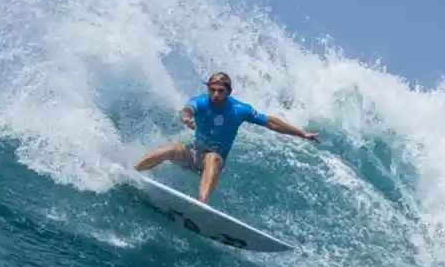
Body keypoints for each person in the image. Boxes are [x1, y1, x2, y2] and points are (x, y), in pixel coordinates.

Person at [133, 72, 320, 203]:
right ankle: (132, 172)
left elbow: (270, 122)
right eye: (212, 89)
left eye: (220, 91)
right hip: (193, 153)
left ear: (228, 91)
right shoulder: (201, 102)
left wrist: (302, 133)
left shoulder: (239, 110)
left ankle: (201, 205)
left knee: (212, 157)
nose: (215, 94)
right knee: (172, 148)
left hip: (213, 162)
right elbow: (187, 110)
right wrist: (186, 118)